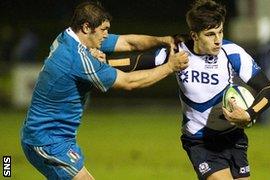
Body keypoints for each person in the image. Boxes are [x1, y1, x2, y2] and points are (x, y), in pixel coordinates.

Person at [20, 1, 188, 180]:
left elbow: (128, 43)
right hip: (47, 140)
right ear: (86, 27)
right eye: (104, 29)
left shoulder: (66, 37)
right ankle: (5, 170)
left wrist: (165, 40)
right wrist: (171, 67)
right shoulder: (77, 58)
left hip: (52, 136)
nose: (106, 35)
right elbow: (129, 82)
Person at [109, 0, 270, 179]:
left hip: (233, 137)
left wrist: (249, 114)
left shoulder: (232, 53)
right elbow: (135, 62)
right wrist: (102, 63)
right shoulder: (178, 52)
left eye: (220, 32)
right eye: (210, 34)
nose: (217, 40)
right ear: (195, 35)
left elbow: (268, 89)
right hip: (199, 140)